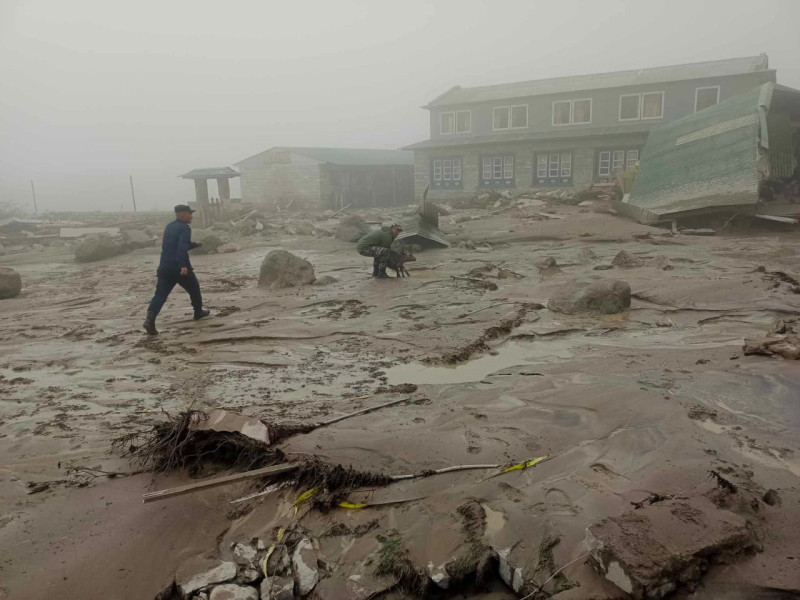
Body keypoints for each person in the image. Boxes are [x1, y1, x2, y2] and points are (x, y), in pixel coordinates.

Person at [142, 204, 210, 335]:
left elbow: (172, 246)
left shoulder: (169, 227)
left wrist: (193, 245)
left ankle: (150, 319)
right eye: (190, 214)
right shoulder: (184, 229)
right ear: (183, 214)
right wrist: (183, 266)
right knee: (194, 288)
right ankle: (198, 312)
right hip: (179, 267)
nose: (192, 216)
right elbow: (181, 248)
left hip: (165, 266)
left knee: (160, 294)